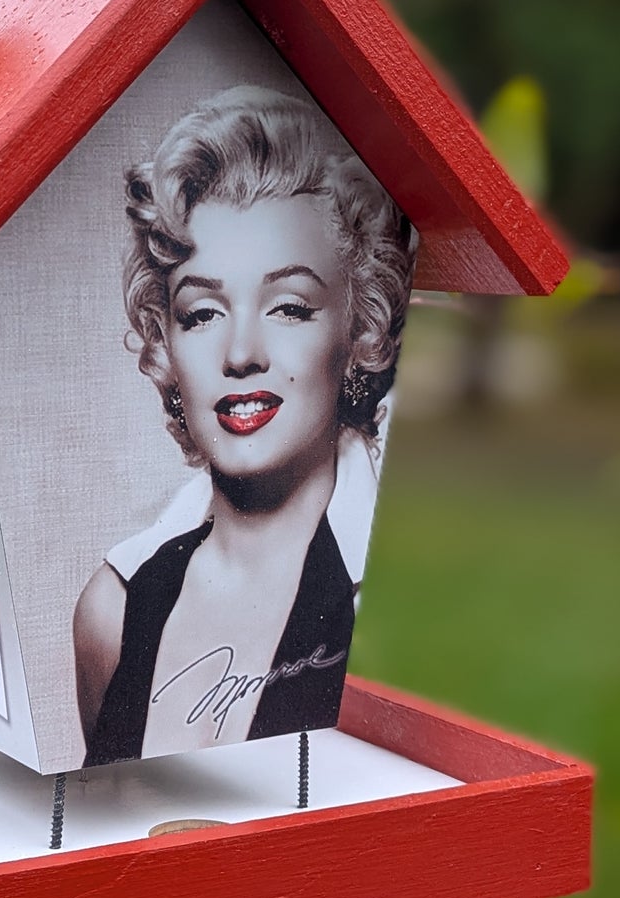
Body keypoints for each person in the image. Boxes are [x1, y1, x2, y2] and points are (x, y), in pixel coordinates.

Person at [74, 84, 415, 765]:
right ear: (165, 344)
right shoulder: (112, 608)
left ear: (364, 327)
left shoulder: (397, 597)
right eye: (201, 313)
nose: (239, 354)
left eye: (289, 306)